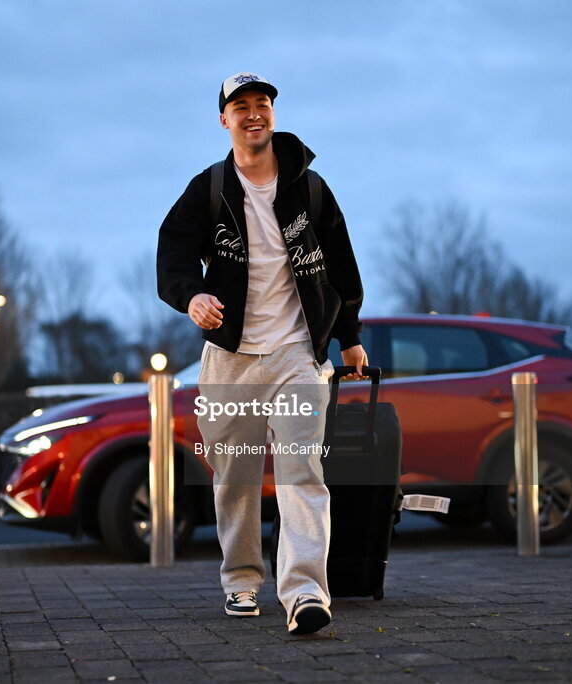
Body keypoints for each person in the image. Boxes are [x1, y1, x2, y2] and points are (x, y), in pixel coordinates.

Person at [156, 71, 366, 635]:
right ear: (223, 119)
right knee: (236, 477)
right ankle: (242, 579)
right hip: (230, 359)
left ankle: (305, 592)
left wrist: (348, 336)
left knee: (302, 472)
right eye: (241, 106)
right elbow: (172, 254)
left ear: (272, 112)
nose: (254, 113)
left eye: (263, 103)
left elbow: (342, 269)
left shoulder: (310, 188)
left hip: (297, 354)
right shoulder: (209, 189)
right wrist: (192, 296)